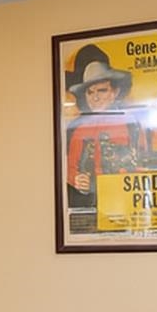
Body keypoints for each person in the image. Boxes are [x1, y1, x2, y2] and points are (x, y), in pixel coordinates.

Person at [62, 45, 134, 209]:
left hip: (122, 202)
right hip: (87, 205)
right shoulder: (77, 128)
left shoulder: (130, 125)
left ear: (114, 93)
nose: (95, 98)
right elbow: (69, 168)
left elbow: (136, 165)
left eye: (101, 91)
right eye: (90, 92)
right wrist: (76, 179)